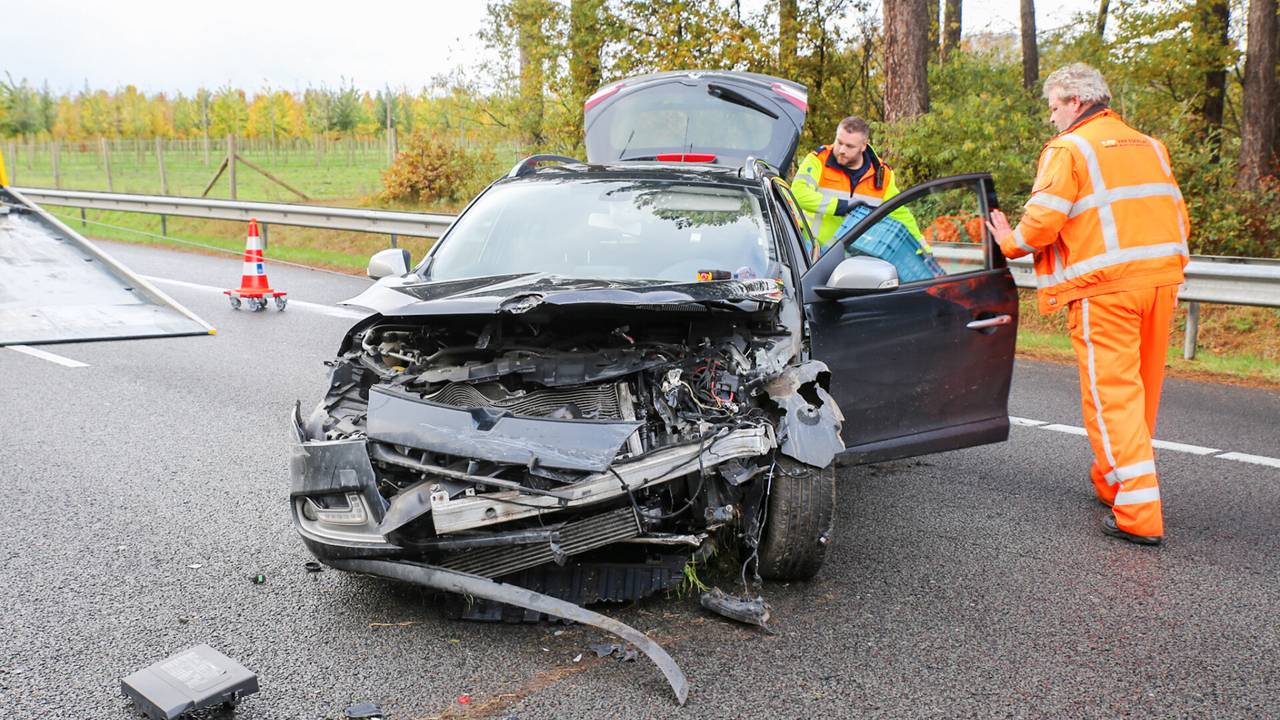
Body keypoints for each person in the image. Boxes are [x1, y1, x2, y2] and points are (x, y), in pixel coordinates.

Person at [987, 63, 1189, 546]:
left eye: (1054, 107)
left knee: (1111, 395)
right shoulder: (1149, 145)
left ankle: (1138, 512)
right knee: (1139, 392)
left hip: (1106, 289)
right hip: (1160, 281)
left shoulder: (1070, 148)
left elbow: (1042, 223)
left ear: (1075, 102)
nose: (1052, 117)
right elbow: (1175, 211)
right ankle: (1114, 481)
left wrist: (1008, 242)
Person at [791, 116, 921, 256]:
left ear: (863, 146)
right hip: (812, 249)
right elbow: (797, 193)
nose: (841, 150)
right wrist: (841, 206)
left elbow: (899, 212)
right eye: (839, 142)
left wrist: (921, 247)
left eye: (849, 146)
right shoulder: (818, 160)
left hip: (853, 256)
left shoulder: (882, 174)